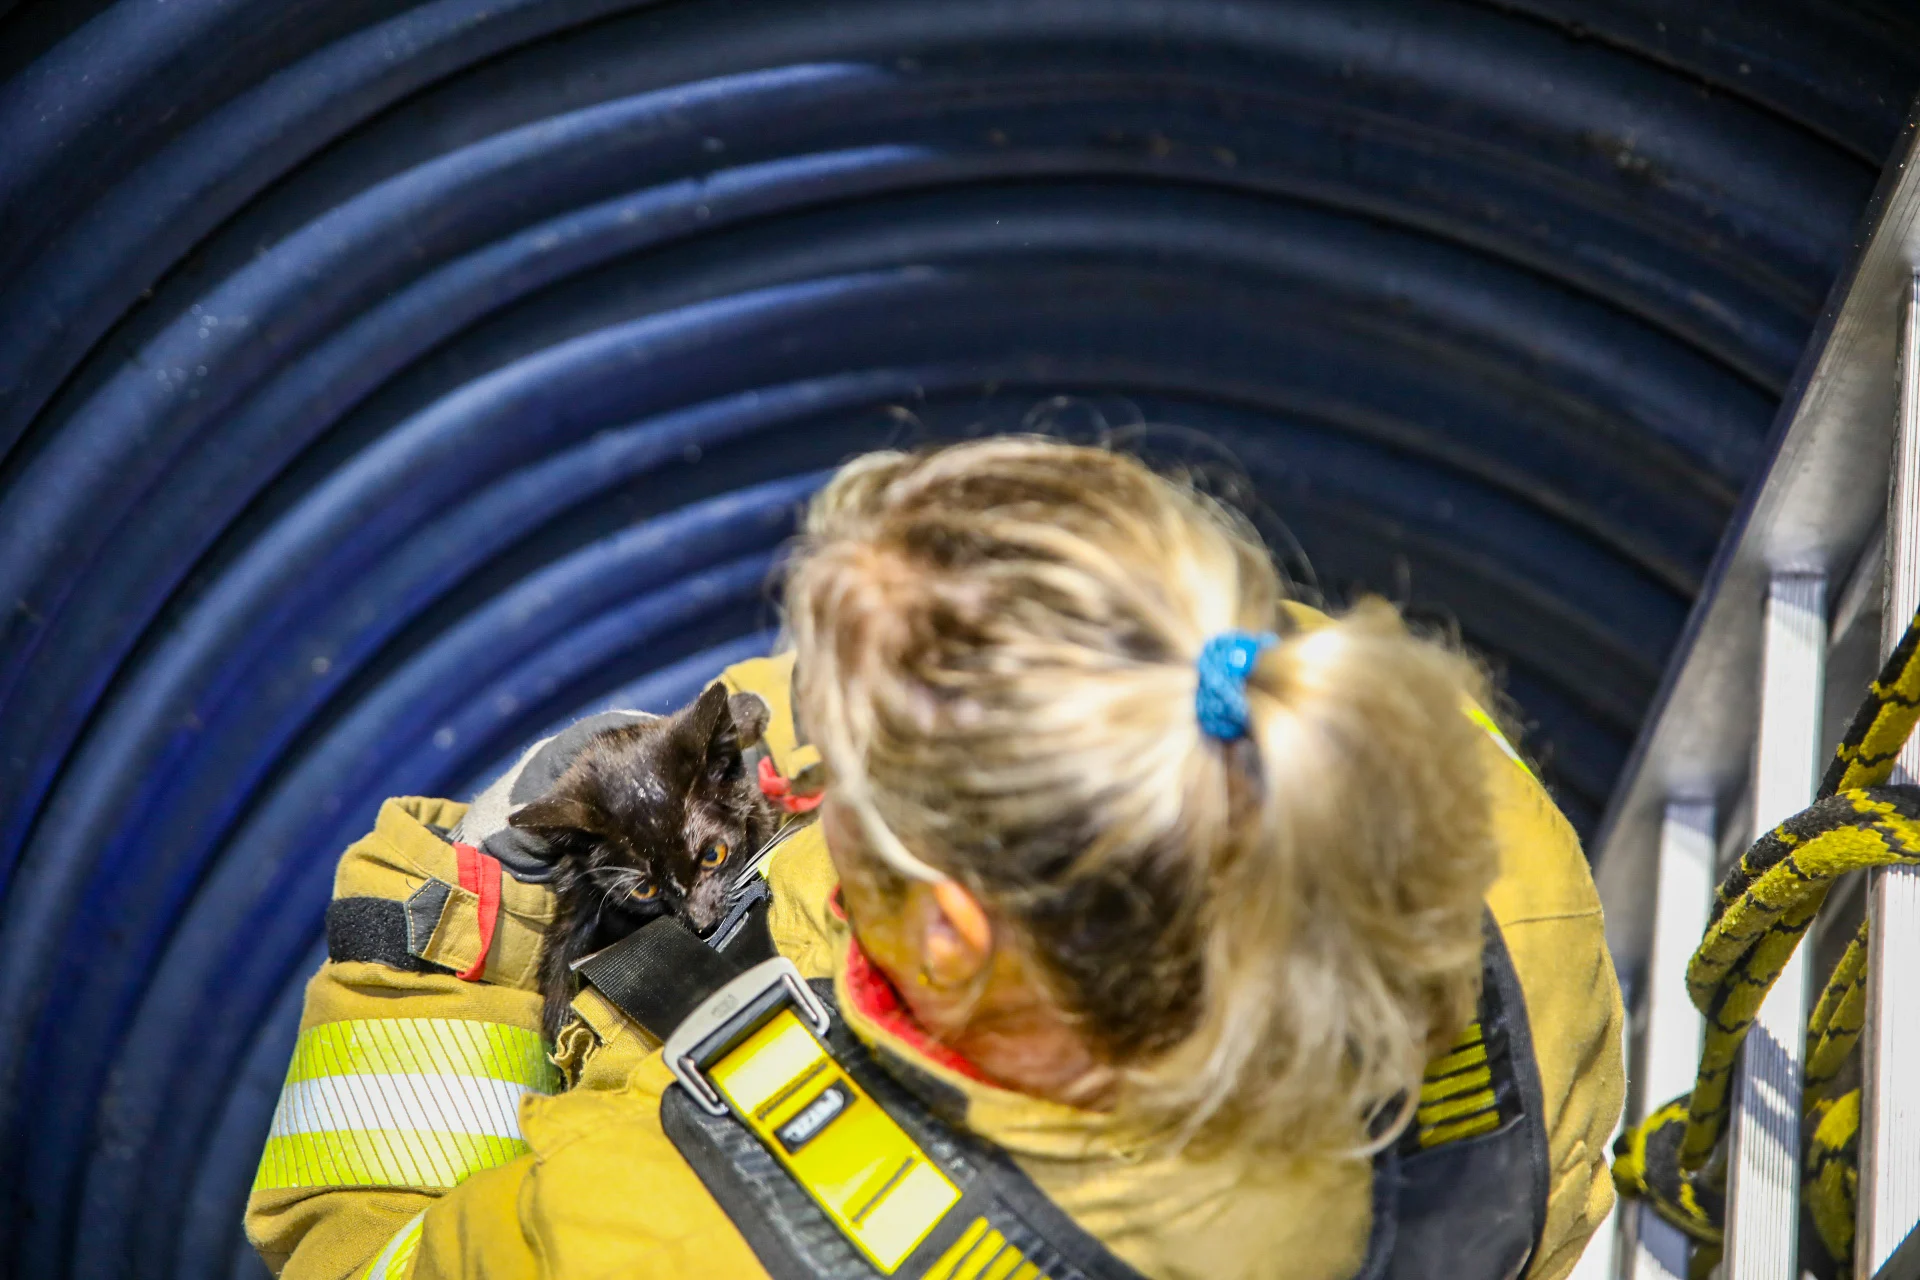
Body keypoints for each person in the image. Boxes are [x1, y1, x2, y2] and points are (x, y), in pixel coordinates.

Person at [246, 437, 1623, 1280]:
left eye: (840, 770)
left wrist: (451, 953)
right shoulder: (1481, 836)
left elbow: (372, 1259)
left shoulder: (664, 1242)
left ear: (955, 937)